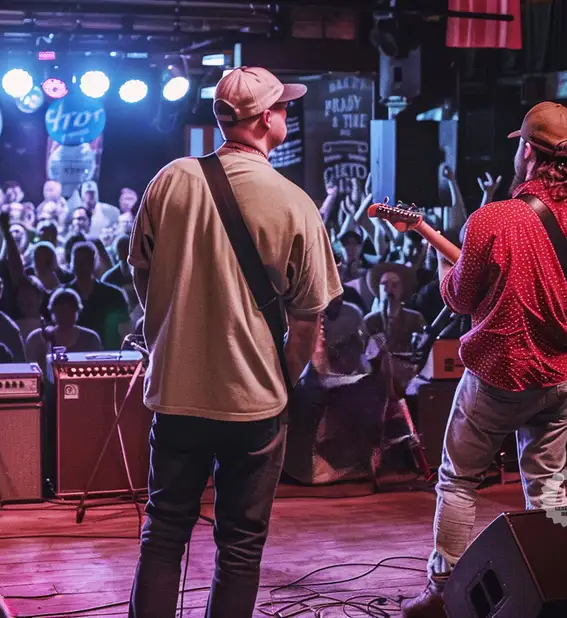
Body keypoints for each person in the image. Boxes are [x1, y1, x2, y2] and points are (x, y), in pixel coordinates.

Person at [127, 66, 340, 618]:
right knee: (240, 548)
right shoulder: (294, 202)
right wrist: (281, 379)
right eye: (284, 107)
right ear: (266, 119)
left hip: (176, 392)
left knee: (163, 533)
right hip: (254, 402)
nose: (288, 114)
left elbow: (141, 272)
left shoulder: (171, 179)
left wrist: (168, 332)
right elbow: (307, 320)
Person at [401, 102, 567, 617]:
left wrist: (444, 265)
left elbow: (458, 298)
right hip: (560, 377)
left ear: (527, 152)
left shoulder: (493, 219)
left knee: (459, 479)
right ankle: (555, 587)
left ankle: (443, 592)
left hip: (498, 376)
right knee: (548, 482)